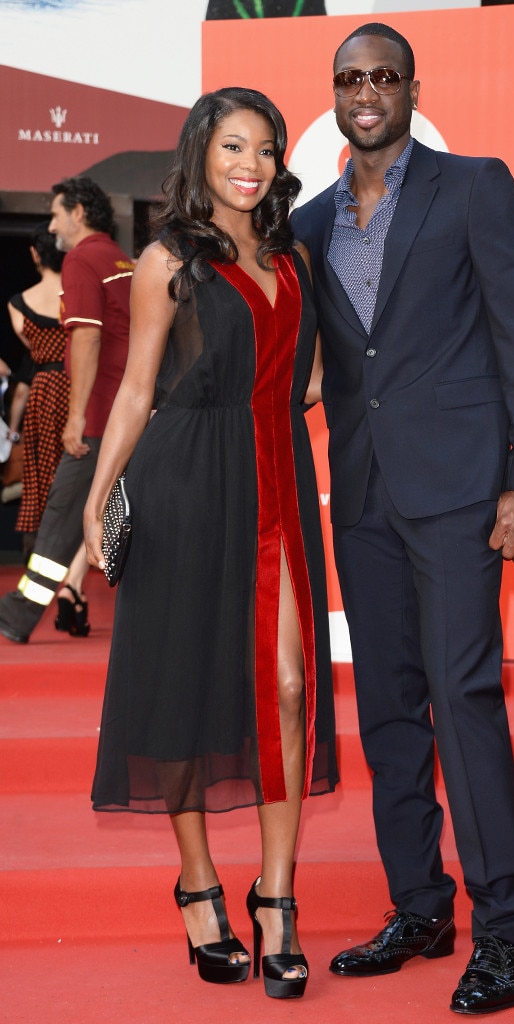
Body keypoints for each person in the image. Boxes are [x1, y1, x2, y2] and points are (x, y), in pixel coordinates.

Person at [292, 22, 514, 1016]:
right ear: (335, 93)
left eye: (382, 76)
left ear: (410, 86)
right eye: (349, 78)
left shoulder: (475, 185)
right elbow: (319, 365)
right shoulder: (313, 220)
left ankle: (503, 930)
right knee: (388, 712)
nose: (366, 92)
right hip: (361, 491)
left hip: (457, 491)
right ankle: (419, 905)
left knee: (463, 697)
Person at [83, 88, 337, 1001]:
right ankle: (198, 886)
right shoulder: (166, 261)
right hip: (186, 484)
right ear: (201, 152)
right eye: (234, 145)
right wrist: (102, 495)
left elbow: (306, 375)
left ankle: (278, 899)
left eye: (266, 149)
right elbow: (137, 390)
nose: (252, 164)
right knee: (184, 683)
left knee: (290, 684)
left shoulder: (298, 254)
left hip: (273, 482)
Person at [0, 177, 133, 644]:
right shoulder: (120, 258)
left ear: (78, 213)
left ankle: (17, 615)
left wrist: (76, 417)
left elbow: (87, 335)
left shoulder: (81, 258)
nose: (52, 224)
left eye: (57, 213)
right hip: (131, 410)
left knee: (61, 515)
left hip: (100, 415)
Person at [7, 223, 68, 560]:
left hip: (45, 388)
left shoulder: (18, 304)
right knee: (78, 463)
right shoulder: (81, 295)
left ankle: (41, 543)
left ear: (34, 255)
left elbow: (33, 348)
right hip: (80, 384)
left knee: (40, 467)